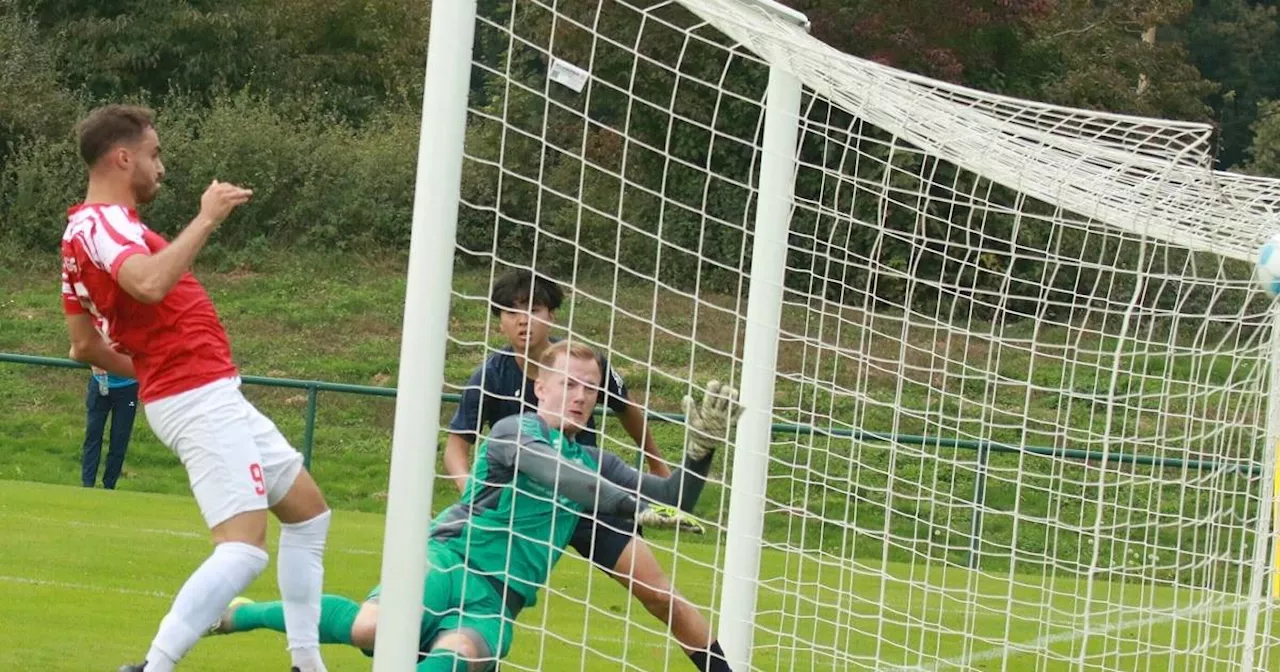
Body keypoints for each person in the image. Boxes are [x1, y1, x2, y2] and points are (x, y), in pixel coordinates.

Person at [209, 341, 740, 672]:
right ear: (540, 387)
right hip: (447, 562)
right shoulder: (515, 432)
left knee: (457, 658)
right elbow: (558, 474)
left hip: (498, 601)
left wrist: (700, 453)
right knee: (376, 629)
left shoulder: (597, 460)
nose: (581, 396)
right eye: (570, 384)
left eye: (592, 389)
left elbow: (671, 501)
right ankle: (242, 615)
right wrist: (628, 502)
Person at [59, 104, 332, 672]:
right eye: (155, 155)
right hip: (197, 396)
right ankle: (153, 667)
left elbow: (83, 346)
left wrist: (156, 372)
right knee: (242, 548)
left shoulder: (86, 233)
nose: (161, 168)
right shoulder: (102, 222)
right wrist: (206, 217)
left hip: (200, 389)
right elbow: (150, 283)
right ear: (123, 156)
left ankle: (306, 663)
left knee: (308, 514)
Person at [444, 269, 733, 671]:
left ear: (553, 316)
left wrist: (662, 462)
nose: (523, 320)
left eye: (535, 309)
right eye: (511, 312)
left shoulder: (583, 364)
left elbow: (627, 410)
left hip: (588, 495)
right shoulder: (489, 377)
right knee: (466, 600)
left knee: (658, 594)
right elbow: (457, 445)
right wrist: (471, 490)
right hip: (515, 511)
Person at [81, 365, 139, 489]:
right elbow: (79, 348)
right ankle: (87, 484)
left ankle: (109, 486)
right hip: (100, 382)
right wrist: (92, 361)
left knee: (120, 439)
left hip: (128, 387)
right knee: (93, 435)